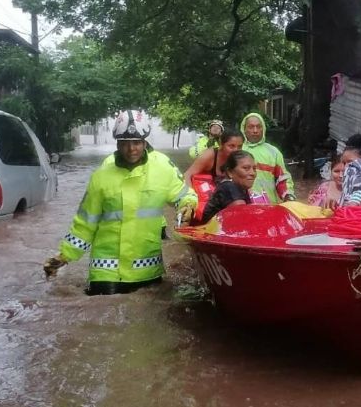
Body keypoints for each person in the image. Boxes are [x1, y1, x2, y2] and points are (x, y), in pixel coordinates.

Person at [43, 110, 197, 295]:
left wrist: (187, 206)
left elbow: (183, 195)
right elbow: (85, 224)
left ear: (145, 143)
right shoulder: (101, 177)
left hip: (147, 269)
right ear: (117, 144)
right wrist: (65, 256)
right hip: (105, 272)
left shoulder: (162, 170)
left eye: (137, 142)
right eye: (125, 143)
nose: (132, 149)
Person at [240, 112, 295, 204]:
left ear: (263, 129)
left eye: (258, 127)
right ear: (244, 129)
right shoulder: (237, 150)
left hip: (268, 207)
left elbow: (282, 179)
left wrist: (288, 196)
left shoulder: (273, 152)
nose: (255, 130)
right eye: (251, 127)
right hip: (242, 207)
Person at [200, 150, 256, 223]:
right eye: (246, 168)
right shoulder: (229, 187)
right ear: (230, 172)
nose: (253, 173)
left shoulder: (240, 188)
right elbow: (242, 219)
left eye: (254, 169)